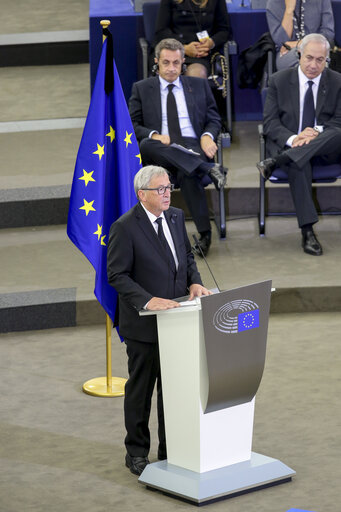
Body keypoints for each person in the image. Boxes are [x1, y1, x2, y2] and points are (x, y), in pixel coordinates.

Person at [107, 165, 211, 476]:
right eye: (160, 190)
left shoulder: (177, 217)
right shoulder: (125, 227)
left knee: (174, 389)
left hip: (178, 322)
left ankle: (172, 449)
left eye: (168, 187)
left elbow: (187, 257)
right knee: (141, 392)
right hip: (144, 326)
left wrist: (194, 281)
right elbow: (116, 275)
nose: (167, 194)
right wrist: (148, 301)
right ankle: (136, 452)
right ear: (142, 195)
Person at [129, 38, 226, 257]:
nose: (171, 68)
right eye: (166, 63)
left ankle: (205, 235)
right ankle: (207, 168)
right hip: (158, 151)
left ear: (183, 62)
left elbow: (214, 119)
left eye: (176, 63)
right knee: (146, 143)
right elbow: (132, 125)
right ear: (156, 62)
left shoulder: (199, 85)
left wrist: (208, 136)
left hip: (192, 147)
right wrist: (154, 135)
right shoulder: (142, 89)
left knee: (187, 171)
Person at [257, 33, 341, 256]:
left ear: (327, 60)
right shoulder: (278, 80)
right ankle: (308, 231)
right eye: (309, 58)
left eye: (320, 60)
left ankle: (276, 161)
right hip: (290, 145)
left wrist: (315, 133)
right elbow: (270, 123)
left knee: (338, 133)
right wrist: (295, 139)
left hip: (324, 147)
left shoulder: (336, 81)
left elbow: (338, 121)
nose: (314, 65)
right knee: (299, 160)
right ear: (299, 55)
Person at [153, 0, 231, 78]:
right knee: (169, 71)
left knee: (196, 74)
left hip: (200, 54)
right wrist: (183, 48)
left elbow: (224, 31)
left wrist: (211, 42)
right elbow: (161, 32)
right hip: (171, 50)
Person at [266, 0, 334, 71]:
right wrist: (289, 10)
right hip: (288, 53)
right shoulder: (274, 3)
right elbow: (282, 42)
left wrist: (299, 43)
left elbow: (328, 34)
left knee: (316, 58)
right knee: (302, 61)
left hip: (318, 48)